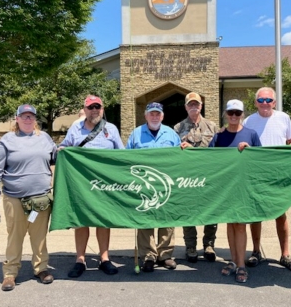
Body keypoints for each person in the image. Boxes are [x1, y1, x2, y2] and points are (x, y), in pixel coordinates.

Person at [0, 104, 57, 291]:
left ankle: (41, 268)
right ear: (17, 119)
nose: (28, 119)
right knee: (15, 236)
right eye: (24, 116)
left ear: (35, 120)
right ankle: (10, 273)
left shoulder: (45, 138)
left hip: (40, 199)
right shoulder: (7, 140)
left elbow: (57, 158)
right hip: (14, 198)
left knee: (39, 237)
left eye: (31, 116)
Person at [59, 95, 125, 278]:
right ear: (85, 109)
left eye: (98, 107)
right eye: (91, 107)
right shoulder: (75, 128)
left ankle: (104, 258)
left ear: (103, 109)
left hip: (104, 185)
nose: (94, 110)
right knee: (81, 220)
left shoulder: (111, 129)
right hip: (81, 185)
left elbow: (121, 155)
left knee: (103, 220)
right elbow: (64, 148)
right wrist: (62, 150)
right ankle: (80, 259)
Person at [242, 87, 291, 272]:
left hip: (278, 174)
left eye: (268, 100)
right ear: (255, 103)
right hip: (256, 173)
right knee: (256, 214)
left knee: (280, 213)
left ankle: (285, 254)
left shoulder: (284, 118)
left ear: (274, 102)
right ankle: (255, 251)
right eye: (261, 100)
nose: (265, 103)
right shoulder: (249, 121)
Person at [208, 99, 261, 283]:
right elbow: (207, 158)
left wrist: (249, 150)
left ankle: (241, 266)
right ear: (225, 114)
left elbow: (260, 160)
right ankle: (233, 260)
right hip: (225, 187)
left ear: (242, 115)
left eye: (237, 113)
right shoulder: (219, 136)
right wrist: (189, 149)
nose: (233, 116)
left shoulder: (251, 134)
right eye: (230, 113)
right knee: (230, 224)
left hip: (243, 187)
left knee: (240, 225)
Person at [126, 102, 181, 272]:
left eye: (158, 114)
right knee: (145, 220)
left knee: (167, 220)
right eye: (152, 114)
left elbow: (181, 158)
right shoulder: (136, 134)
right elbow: (126, 158)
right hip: (144, 186)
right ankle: (148, 256)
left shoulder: (171, 134)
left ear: (162, 116)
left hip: (166, 185)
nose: (155, 117)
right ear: (146, 115)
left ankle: (165, 255)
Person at [174, 92, 219, 263]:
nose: (194, 106)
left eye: (197, 104)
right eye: (190, 104)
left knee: (211, 211)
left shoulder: (212, 127)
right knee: (188, 211)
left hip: (208, 176)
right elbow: (174, 153)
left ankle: (209, 244)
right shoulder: (177, 128)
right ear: (186, 107)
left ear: (201, 106)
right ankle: (190, 246)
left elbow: (219, 152)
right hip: (188, 177)